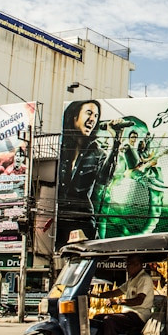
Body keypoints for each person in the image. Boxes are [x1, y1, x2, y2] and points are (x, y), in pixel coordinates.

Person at [56, 100, 120, 243]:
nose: (92, 119)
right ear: (74, 117)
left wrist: (116, 140)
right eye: (89, 113)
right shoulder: (59, 151)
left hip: (83, 222)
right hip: (57, 222)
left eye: (96, 116)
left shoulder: (98, 154)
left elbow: (105, 179)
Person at [90, 254, 154, 335]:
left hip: (138, 315)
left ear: (138, 265)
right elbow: (116, 292)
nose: (127, 267)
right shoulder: (132, 280)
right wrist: (96, 295)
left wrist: (117, 302)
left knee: (109, 321)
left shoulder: (144, 279)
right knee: (97, 318)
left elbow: (139, 300)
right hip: (128, 314)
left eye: (129, 265)